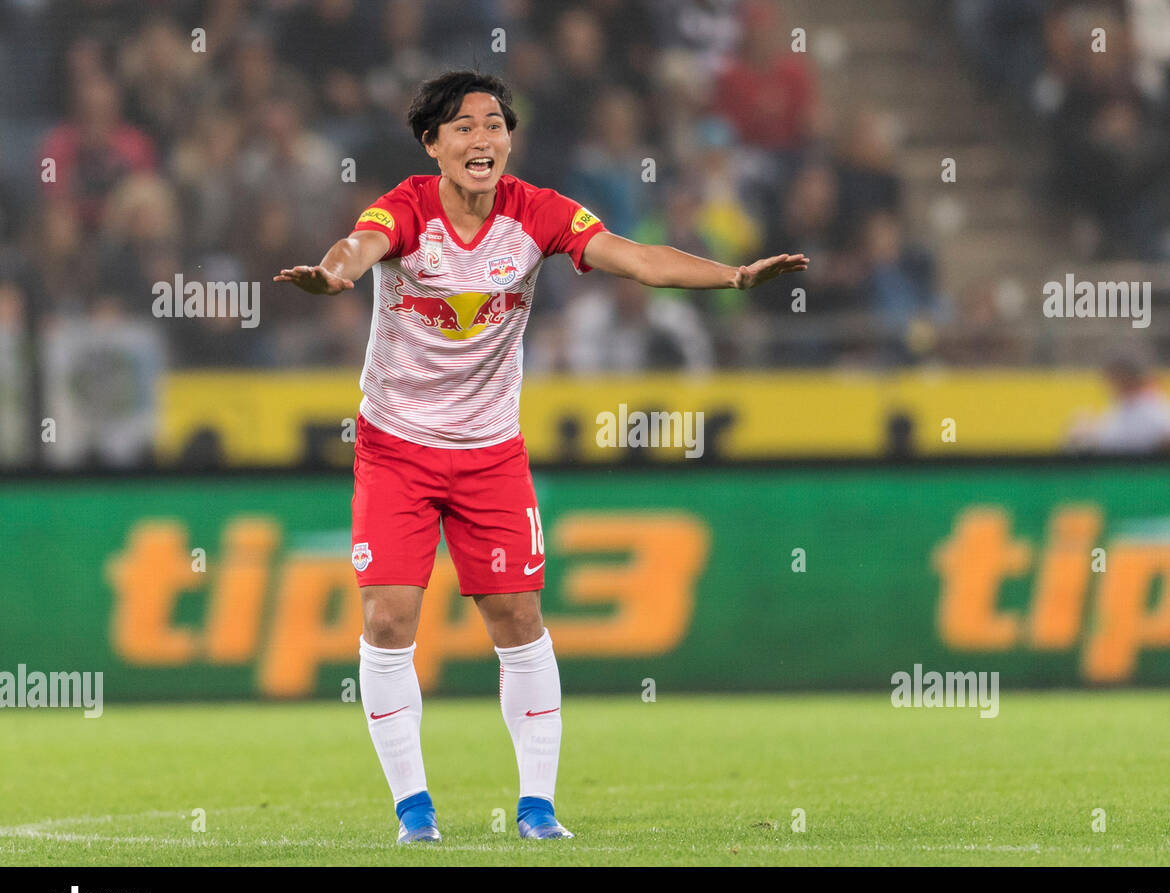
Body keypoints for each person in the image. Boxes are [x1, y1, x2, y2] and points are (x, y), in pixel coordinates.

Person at [275, 70, 807, 844]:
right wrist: (332, 277)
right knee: (389, 620)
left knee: (519, 618)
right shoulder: (407, 208)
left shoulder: (537, 214)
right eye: (462, 127)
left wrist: (731, 274)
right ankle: (414, 814)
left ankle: (537, 809)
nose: (481, 139)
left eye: (494, 125)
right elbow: (359, 246)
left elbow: (639, 259)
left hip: (491, 453)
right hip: (396, 448)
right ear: (433, 145)